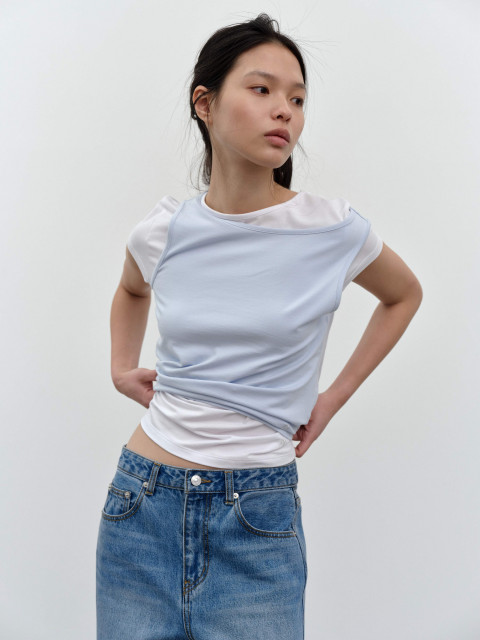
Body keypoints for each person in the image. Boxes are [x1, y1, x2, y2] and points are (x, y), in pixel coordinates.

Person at [96, 13, 422, 640]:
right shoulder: (163, 231)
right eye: (262, 89)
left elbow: (404, 295)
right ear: (205, 104)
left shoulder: (332, 230)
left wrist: (330, 399)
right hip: (141, 506)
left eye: (297, 99)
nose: (284, 112)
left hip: (257, 516)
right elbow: (131, 288)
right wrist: (120, 367)